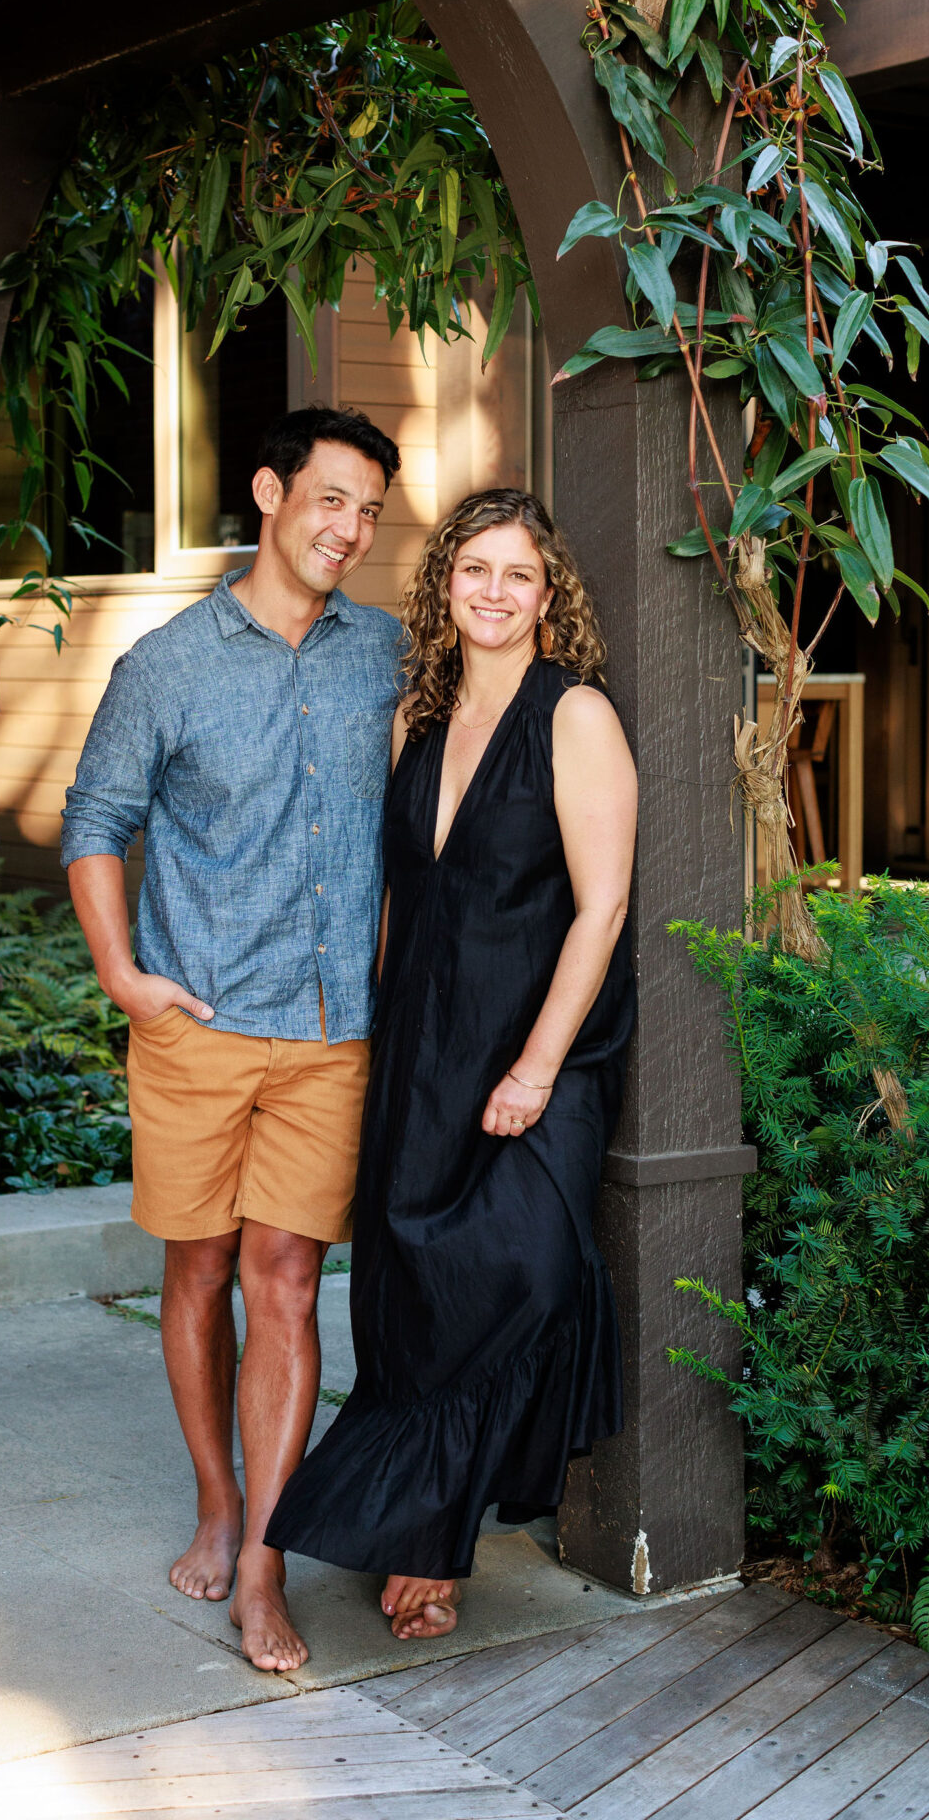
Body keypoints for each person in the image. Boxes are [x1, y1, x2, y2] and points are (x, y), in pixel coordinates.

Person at [61, 405, 402, 1674]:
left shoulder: (388, 654)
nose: (348, 529)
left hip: (331, 1032)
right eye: (329, 499)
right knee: (199, 1274)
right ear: (269, 492)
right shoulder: (167, 664)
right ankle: (216, 1493)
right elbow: (94, 820)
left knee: (290, 1281)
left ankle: (262, 1554)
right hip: (197, 1025)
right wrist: (124, 977)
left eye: (367, 509)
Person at [267, 487, 637, 1641]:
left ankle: (439, 1517)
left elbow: (603, 904)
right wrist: (376, 1038)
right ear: (444, 588)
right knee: (413, 1290)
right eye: (472, 569)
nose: (491, 591)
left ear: (546, 593)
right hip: (419, 1041)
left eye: (515, 573)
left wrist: (534, 1067)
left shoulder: (573, 715)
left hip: (537, 1045)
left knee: (520, 1272)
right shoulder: (415, 718)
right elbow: (396, 901)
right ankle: (424, 1538)